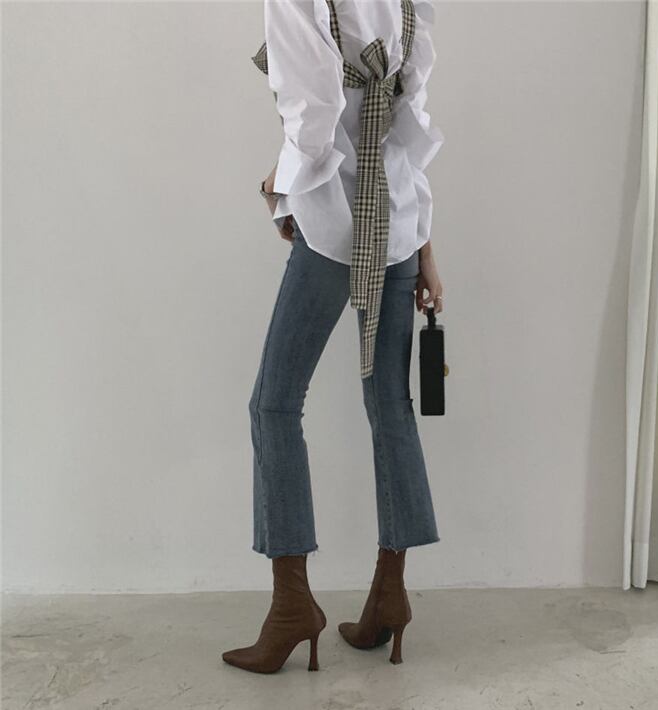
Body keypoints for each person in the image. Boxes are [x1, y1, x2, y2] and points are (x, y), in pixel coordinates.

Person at [222, 0, 443, 674]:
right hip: (396, 219)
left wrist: (280, 184)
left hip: (334, 222)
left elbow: (315, 113)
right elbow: (409, 125)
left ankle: (291, 605)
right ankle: (390, 595)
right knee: (391, 406)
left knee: (274, 405)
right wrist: (425, 247)